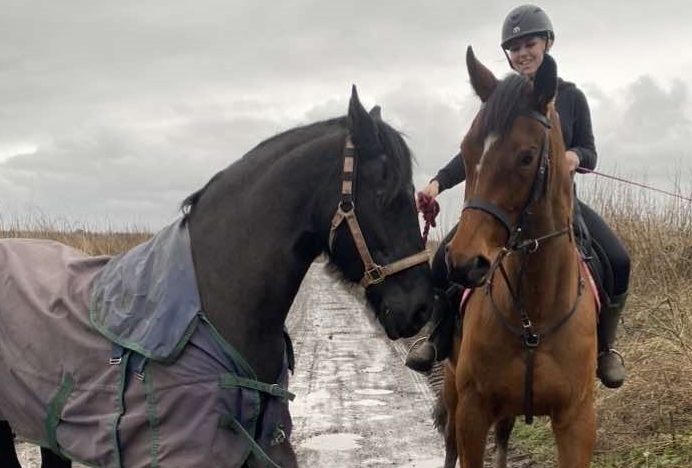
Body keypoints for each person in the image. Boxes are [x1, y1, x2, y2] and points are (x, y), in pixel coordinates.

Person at [405, 4, 630, 389]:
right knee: (444, 259)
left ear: (547, 43)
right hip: (503, 206)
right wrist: (438, 183)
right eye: (514, 47)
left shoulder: (571, 97)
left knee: (618, 260)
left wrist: (575, 156)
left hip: (559, 207)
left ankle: (605, 348)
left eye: (530, 43)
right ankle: (439, 336)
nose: (523, 52)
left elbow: (589, 149)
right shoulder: (498, 102)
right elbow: (477, 154)